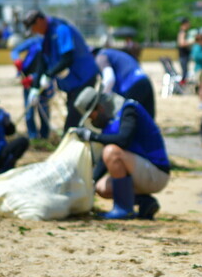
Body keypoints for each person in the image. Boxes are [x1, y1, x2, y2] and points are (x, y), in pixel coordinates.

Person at [71, 87, 170, 220]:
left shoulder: (129, 110)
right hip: (140, 172)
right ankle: (145, 202)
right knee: (101, 188)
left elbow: (123, 140)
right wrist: (91, 182)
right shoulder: (108, 125)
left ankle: (124, 209)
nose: (91, 121)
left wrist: (92, 136)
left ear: (99, 108)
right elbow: (104, 162)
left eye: (90, 116)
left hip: (157, 173)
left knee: (111, 151)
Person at [23, 9, 100, 133]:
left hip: (83, 78)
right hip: (71, 84)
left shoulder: (61, 29)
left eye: (33, 28)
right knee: (74, 116)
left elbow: (67, 59)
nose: (34, 32)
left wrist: (48, 75)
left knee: (73, 121)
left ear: (39, 21)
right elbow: (42, 62)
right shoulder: (45, 36)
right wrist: (35, 88)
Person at [95, 47, 156, 118]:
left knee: (127, 118)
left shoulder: (100, 57)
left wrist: (102, 99)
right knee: (149, 120)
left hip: (132, 85)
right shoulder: (115, 53)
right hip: (145, 80)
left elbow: (109, 79)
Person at [11, 36, 52, 140]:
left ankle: (44, 136)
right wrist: (17, 60)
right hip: (28, 84)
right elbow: (14, 51)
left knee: (44, 111)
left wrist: (34, 78)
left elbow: (49, 67)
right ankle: (32, 136)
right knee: (29, 111)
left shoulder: (51, 46)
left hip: (42, 85)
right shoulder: (35, 41)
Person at [176, 17, 193, 85]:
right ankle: (182, 85)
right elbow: (181, 43)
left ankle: (183, 84)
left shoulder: (182, 32)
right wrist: (191, 42)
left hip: (183, 55)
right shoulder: (182, 32)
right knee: (184, 72)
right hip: (183, 55)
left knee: (185, 72)